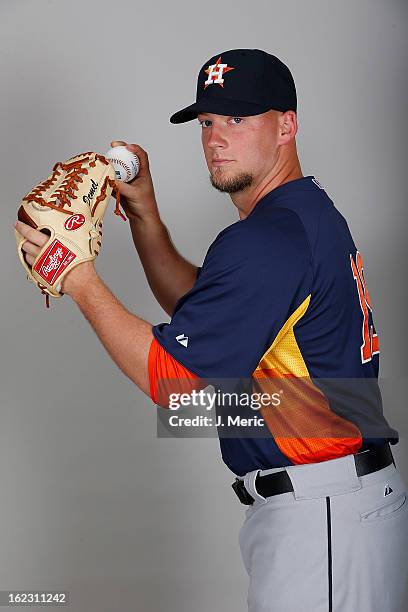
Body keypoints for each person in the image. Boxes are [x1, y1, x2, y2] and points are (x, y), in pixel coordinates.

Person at [14, 48, 408, 611]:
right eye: (207, 122)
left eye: (239, 119)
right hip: (336, 504)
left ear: (286, 126)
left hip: (324, 511)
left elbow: (175, 385)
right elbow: (204, 310)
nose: (217, 139)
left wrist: (76, 279)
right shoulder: (302, 214)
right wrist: (145, 213)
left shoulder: (267, 240)